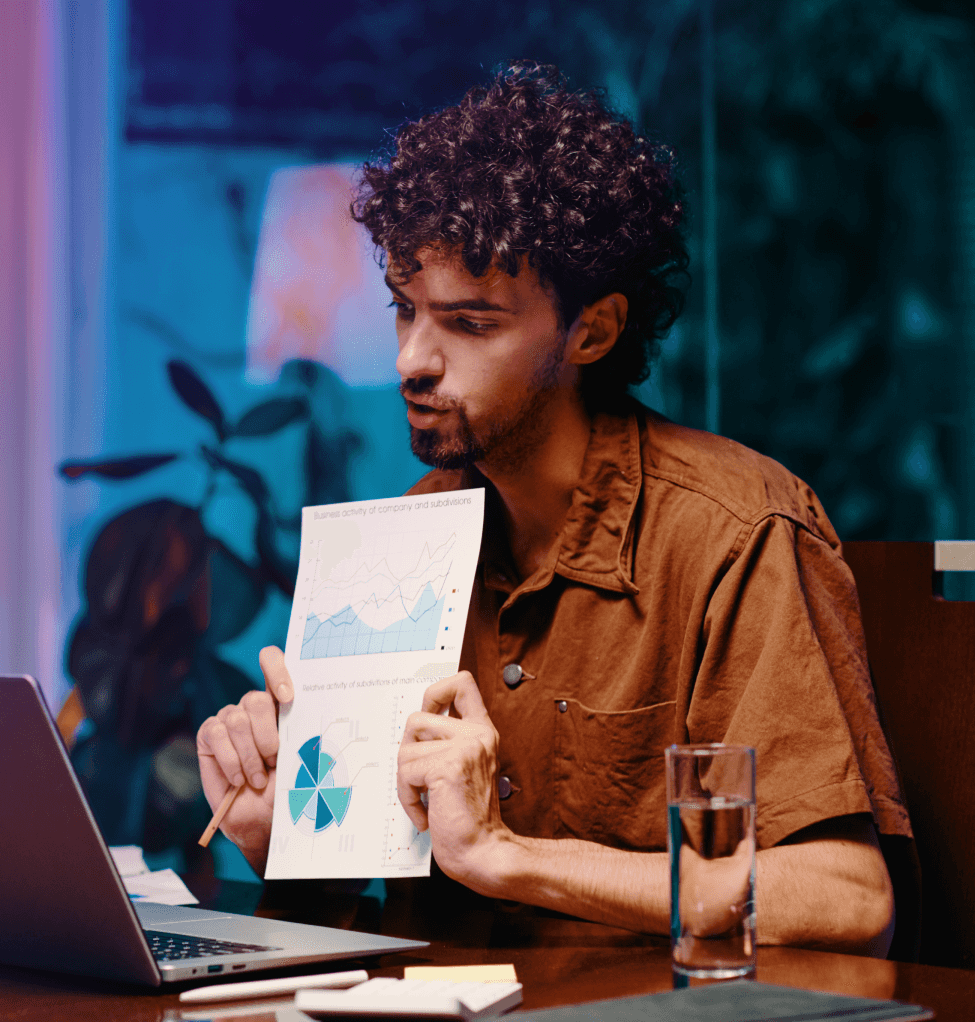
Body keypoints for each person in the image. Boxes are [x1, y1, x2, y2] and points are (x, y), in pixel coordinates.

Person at [195, 62, 908, 954]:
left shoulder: (736, 531)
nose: (412, 359)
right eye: (404, 310)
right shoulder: (408, 534)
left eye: (470, 323)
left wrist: (509, 857)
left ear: (593, 331)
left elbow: (847, 897)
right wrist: (277, 831)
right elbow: (353, 868)